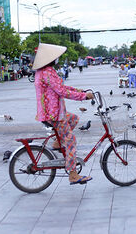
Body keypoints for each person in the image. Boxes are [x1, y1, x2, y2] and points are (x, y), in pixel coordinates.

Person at [34, 43, 94, 185]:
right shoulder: (47, 72)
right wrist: (83, 97)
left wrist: (81, 91)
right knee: (70, 140)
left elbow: (61, 87)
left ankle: (57, 142)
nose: (58, 59)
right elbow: (62, 91)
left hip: (54, 111)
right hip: (53, 114)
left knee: (73, 119)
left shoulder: (44, 71)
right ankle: (73, 174)